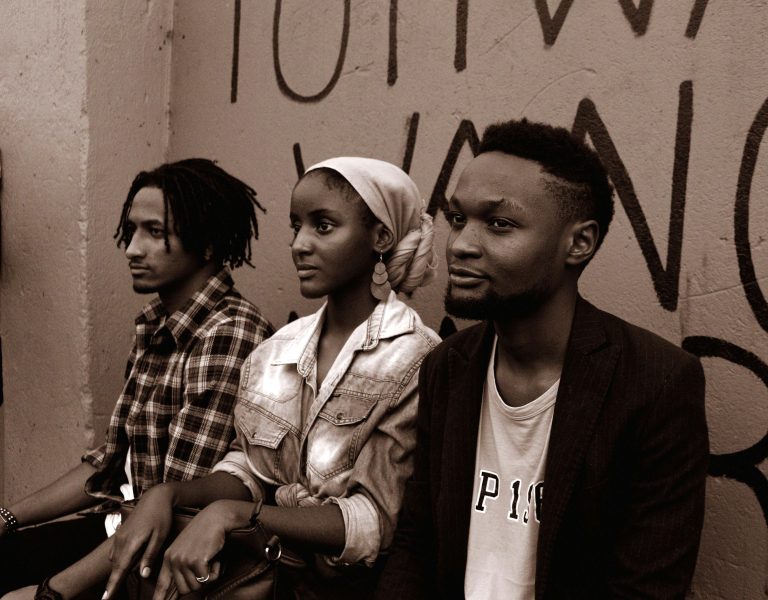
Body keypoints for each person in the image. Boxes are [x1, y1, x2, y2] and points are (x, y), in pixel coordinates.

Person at [376, 119, 710, 599]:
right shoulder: (447, 367)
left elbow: (647, 588)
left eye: (499, 224)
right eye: (457, 218)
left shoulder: (655, 383)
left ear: (579, 243)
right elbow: (417, 541)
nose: (461, 245)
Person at [103, 157, 441, 599]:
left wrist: (234, 514)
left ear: (380, 237)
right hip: (265, 577)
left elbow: (372, 521)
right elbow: (250, 468)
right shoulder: (277, 351)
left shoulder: (415, 357)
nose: (300, 244)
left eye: (323, 226)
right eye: (295, 226)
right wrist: (169, 494)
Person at [0, 159, 273, 599]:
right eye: (132, 230)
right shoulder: (158, 324)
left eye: (155, 232)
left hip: (170, 559)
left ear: (207, 244)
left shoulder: (227, 334)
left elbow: (175, 510)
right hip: (120, 529)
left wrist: (50, 593)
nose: (132, 248)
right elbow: (108, 464)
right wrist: (6, 518)